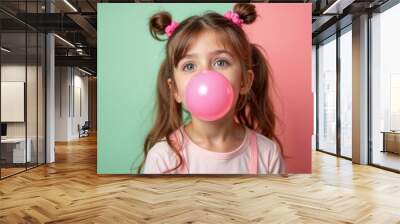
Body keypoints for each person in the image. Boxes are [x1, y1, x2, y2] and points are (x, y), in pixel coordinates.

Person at [139, 3, 286, 174]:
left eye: (220, 62)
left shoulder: (268, 154)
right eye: (189, 66)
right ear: (175, 90)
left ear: (245, 81)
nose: (205, 74)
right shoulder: (163, 157)